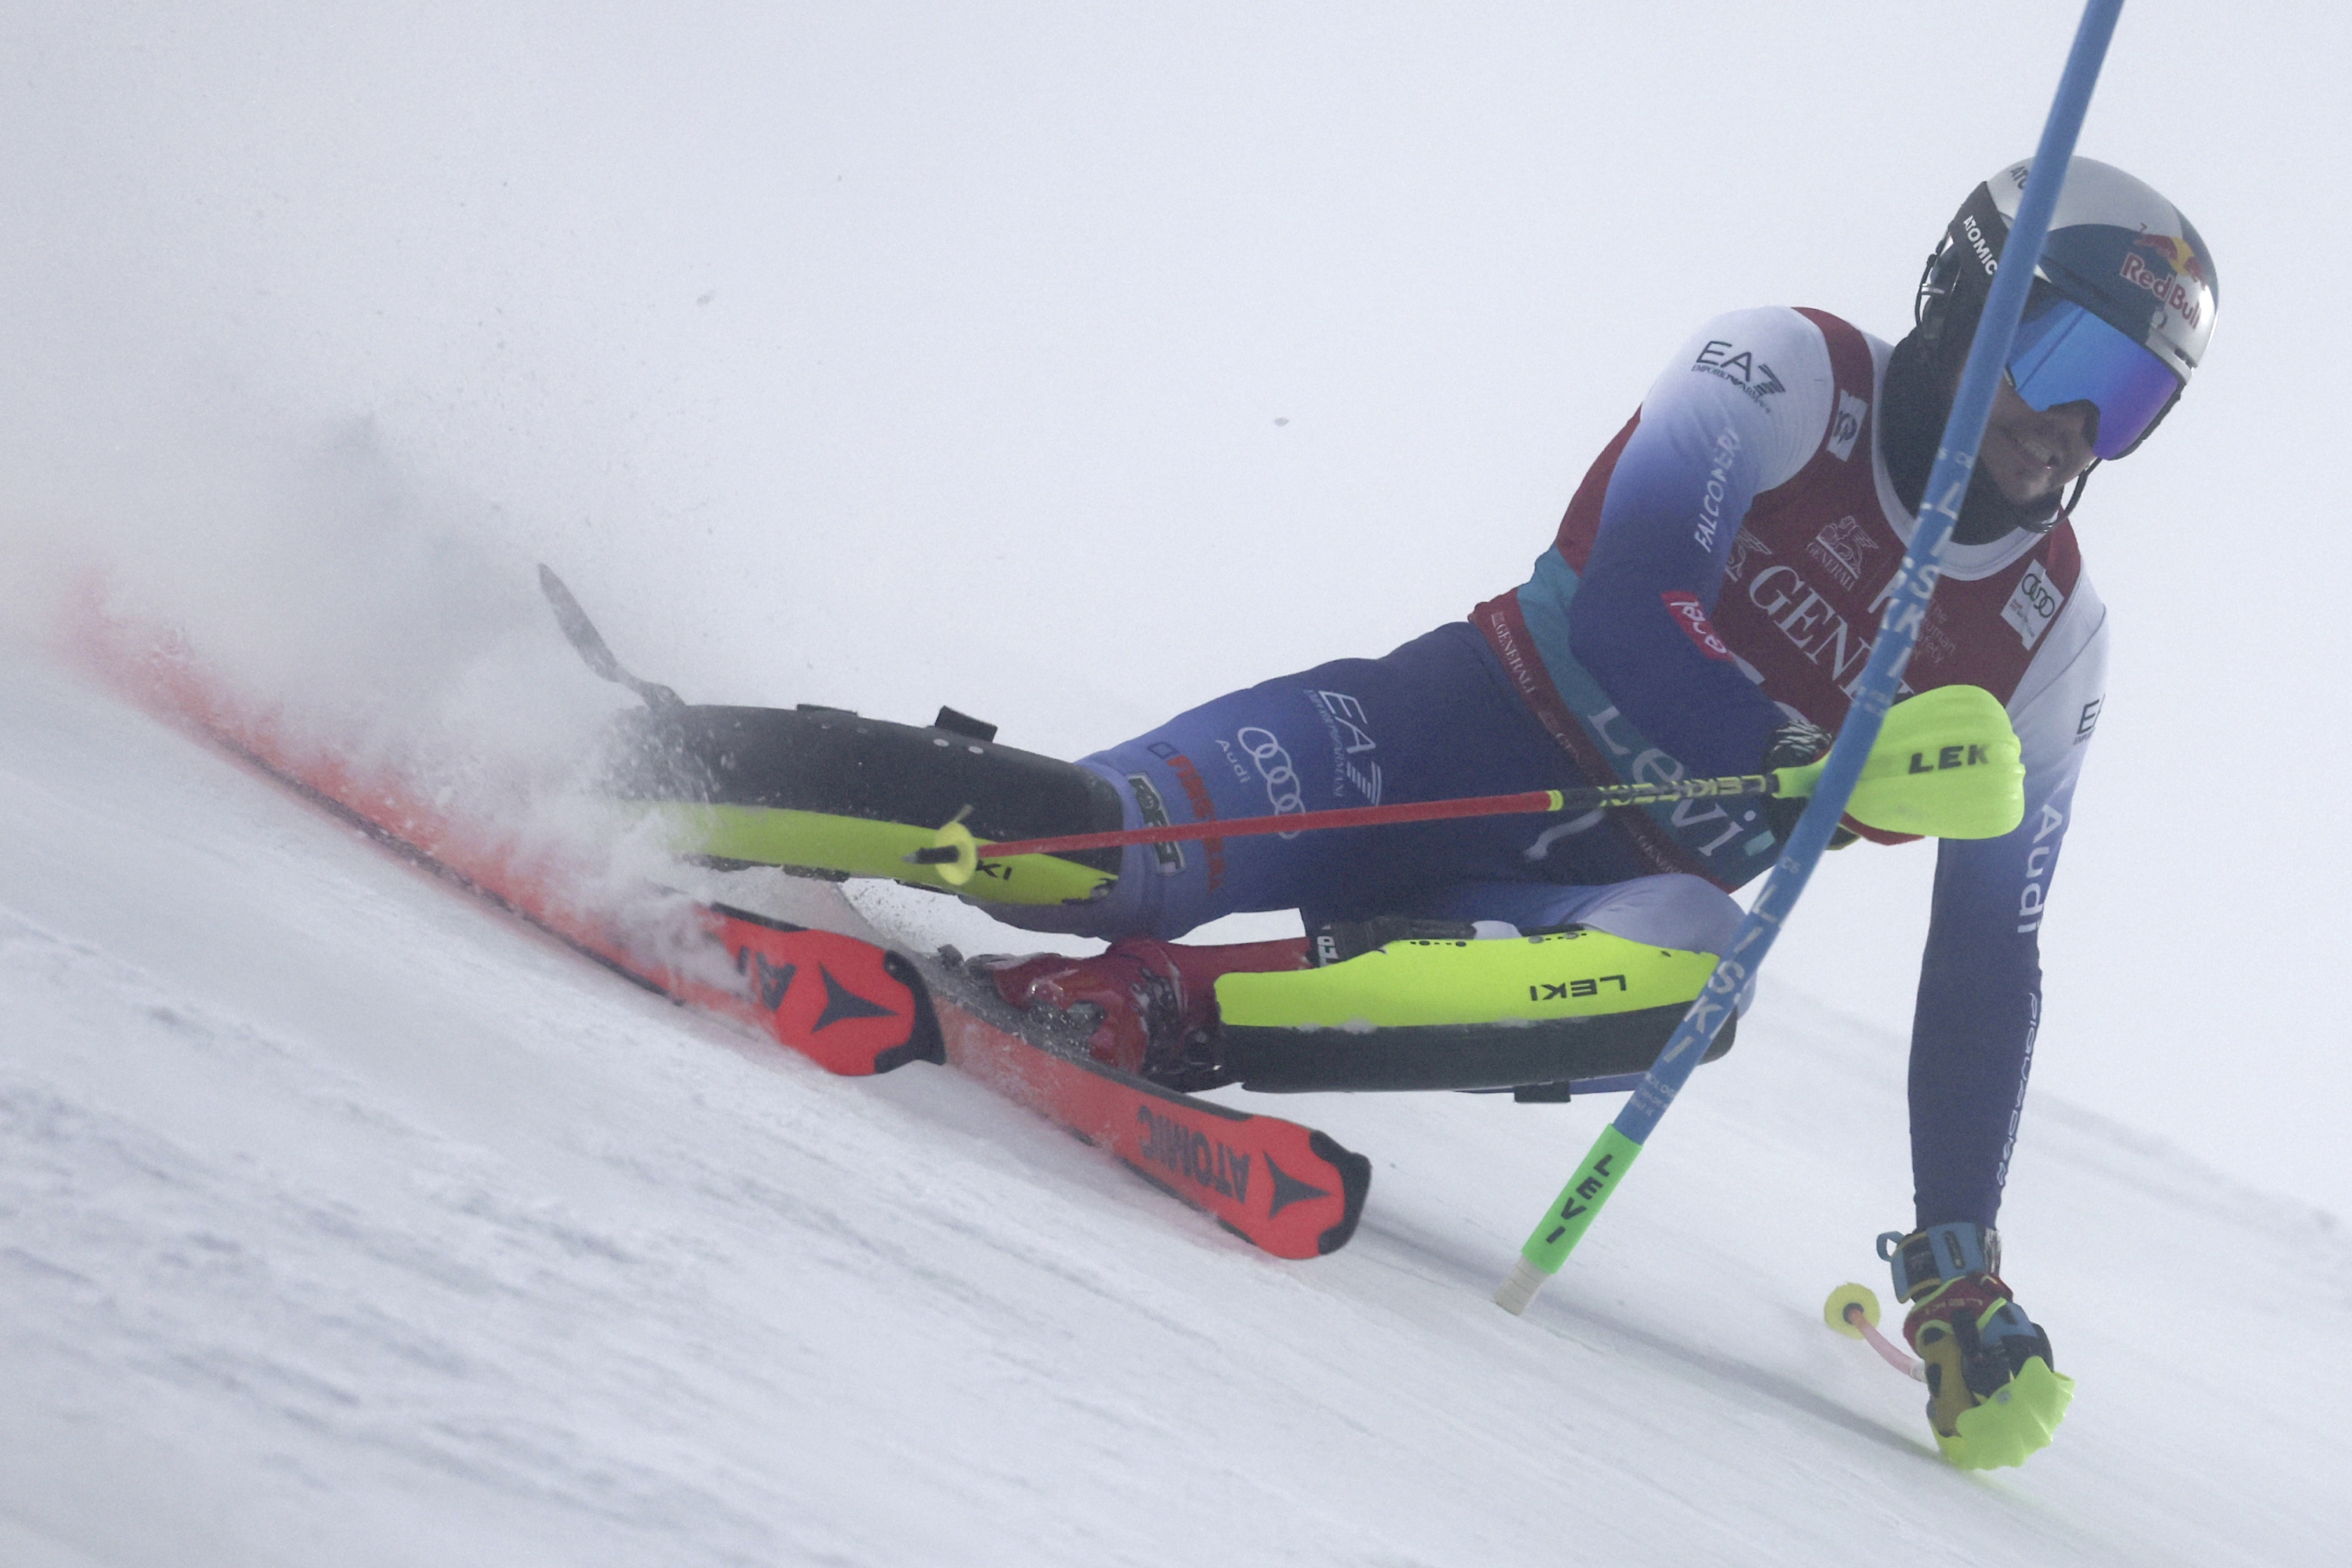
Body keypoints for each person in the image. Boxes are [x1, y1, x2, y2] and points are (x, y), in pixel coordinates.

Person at [975, 156, 2217, 1465]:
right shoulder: (1785, 373)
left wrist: (1958, 1265)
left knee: (1697, 971)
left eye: (2132, 400)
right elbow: (1636, 612)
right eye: (2065, 350)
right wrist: (1823, 758)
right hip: (1414, 757)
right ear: (1969, 296)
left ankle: (1163, 1008)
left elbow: (1984, 959)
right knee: (1074, 851)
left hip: (1556, 913)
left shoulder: (2049, 643)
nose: (2077, 424)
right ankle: (813, 798)